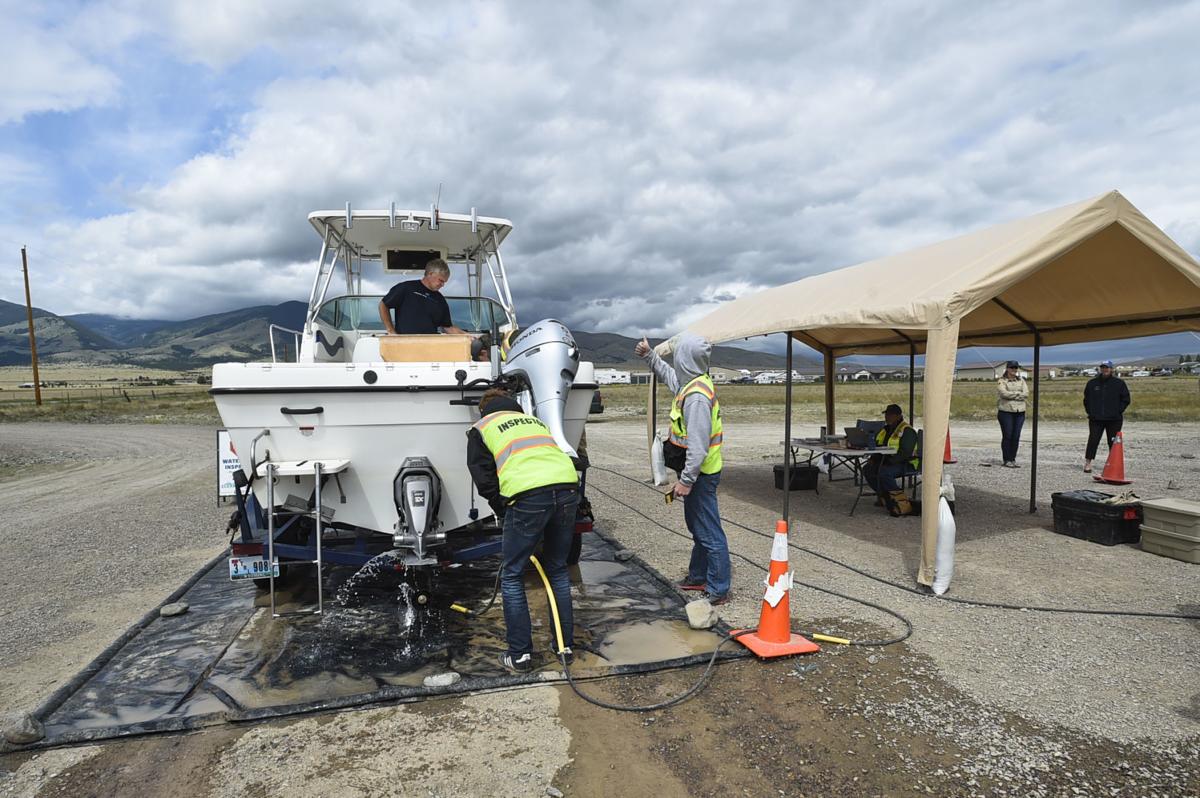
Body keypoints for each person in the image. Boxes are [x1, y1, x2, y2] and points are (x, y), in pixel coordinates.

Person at [466, 388, 580, 673]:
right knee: (556, 569)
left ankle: (520, 655)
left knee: (513, 574)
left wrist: (504, 509)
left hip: (528, 497)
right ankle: (564, 648)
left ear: (484, 410)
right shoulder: (535, 422)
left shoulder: (482, 427)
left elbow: (483, 478)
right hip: (567, 489)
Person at [635, 333, 731, 605]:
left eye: (678, 356)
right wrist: (650, 356)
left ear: (685, 359)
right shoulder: (691, 383)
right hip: (697, 474)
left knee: (709, 532)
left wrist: (686, 481)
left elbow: (699, 447)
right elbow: (669, 376)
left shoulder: (697, 397)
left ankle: (719, 588)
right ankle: (699, 576)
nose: (675, 361)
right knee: (698, 527)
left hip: (701, 475)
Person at [377, 258, 467, 335]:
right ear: (430, 274)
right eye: (441, 280)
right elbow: (383, 304)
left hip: (430, 347)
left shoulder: (440, 300)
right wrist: (391, 331)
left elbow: (448, 327)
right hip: (405, 344)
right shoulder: (406, 288)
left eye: (444, 282)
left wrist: (467, 335)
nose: (442, 285)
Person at [863, 404, 920, 516]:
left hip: (906, 463)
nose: (887, 417)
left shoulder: (907, 430)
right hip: (888, 461)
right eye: (886, 414)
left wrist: (888, 462)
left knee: (884, 472)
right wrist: (874, 458)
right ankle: (885, 496)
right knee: (867, 469)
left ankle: (901, 502)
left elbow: (905, 453)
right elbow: (878, 446)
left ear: (898, 416)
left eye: (890, 415)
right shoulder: (885, 430)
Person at [1083, 360, 1131, 473]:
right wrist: (1090, 412)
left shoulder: (1119, 383)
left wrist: (1118, 411)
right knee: (1093, 440)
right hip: (1096, 419)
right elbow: (1086, 400)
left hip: (1114, 419)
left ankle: (1113, 464)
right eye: (1103, 367)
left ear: (1111, 369)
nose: (1105, 370)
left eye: (1107, 368)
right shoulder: (1092, 383)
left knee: (1113, 442)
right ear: (1100, 369)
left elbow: (1126, 399)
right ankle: (1088, 463)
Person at [997, 360, 1028, 468]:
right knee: (1008, 436)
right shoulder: (1002, 380)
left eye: (1016, 368)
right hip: (1006, 412)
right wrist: (1018, 394)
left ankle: (1012, 459)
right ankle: (1006, 459)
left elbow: (1026, 393)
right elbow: (1003, 393)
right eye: (1012, 368)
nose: (1014, 370)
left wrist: (1013, 394)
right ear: (1007, 369)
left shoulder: (1022, 380)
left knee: (1016, 436)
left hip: (1020, 412)